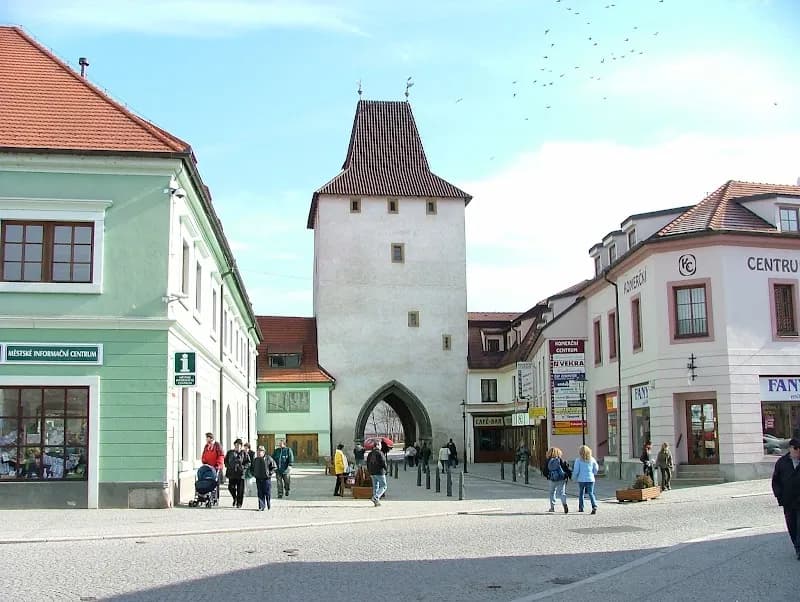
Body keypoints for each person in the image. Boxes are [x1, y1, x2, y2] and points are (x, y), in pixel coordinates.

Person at [772, 437, 800, 560]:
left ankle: (799, 548)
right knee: (792, 525)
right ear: (791, 449)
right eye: (797, 450)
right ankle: (796, 545)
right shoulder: (782, 462)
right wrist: (779, 497)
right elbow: (775, 481)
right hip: (788, 501)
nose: (798, 453)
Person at [543, 447, 571, 514]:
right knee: (562, 493)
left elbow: (544, 471)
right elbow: (567, 469)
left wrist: (548, 476)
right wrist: (568, 476)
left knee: (552, 493)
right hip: (561, 479)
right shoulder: (561, 460)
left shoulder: (548, 461)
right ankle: (564, 504)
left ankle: (552, 507)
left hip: (552, 479)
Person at [573, 444, 599, 514]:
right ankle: (594, 506)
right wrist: (593, 473)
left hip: (581, 479)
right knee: (591, 493)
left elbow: (576, 470)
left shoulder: (578, 460)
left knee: (581, 493)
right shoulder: (592, 459)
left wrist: (574, 477)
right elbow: (596, 468)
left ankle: (581, 508)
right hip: (590, 479)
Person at [224, 438, 250, 508]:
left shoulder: (244, 453)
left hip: (241, 474)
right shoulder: (230, 452)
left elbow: (248, 462)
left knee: (240, 490)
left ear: (241, 446)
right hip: (232, 473)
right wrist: (228, 466)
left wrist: (243, 467)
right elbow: (225, 460)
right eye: (236, 445)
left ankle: (239, 503)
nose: (237, 446)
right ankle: (234, 498)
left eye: (239, 445)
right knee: (230, 487)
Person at [251, 445, 277, 511]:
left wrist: (270, 473)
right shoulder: (255, 460)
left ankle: (268, 504)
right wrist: (254, 474)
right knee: (260, 493)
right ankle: (261, 506)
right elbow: (252, 468)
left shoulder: (268, 458)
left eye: (261, 451)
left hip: (266, 479)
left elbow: (274, 467)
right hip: (258, 479)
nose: (259, 452)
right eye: (258, 451)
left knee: (267, 492)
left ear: (264, 452)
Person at [201, 432, 225, 501]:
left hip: (215, 467)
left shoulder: (217, 445)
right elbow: (204, 455)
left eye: (207, 439)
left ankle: (215, 497)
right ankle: (205, 494)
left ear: (211, 439)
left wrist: (218, 464)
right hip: (208, 467)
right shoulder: (206, 446)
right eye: (206, 439)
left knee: (215, 481)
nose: (206, 440)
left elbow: (221, 455)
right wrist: (204, 461)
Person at [366, 441, 388, 506]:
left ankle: (376, 502)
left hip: (372, 472)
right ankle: (376, 497)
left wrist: (369, 470)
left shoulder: (370, 453)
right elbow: (383, 462)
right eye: (380, 445)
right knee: (384, 486)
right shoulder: (380, 453)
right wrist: (386, 469)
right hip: (379, 472)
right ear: (378, 445)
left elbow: (367, 462)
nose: (381, 446)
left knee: (376, 486)